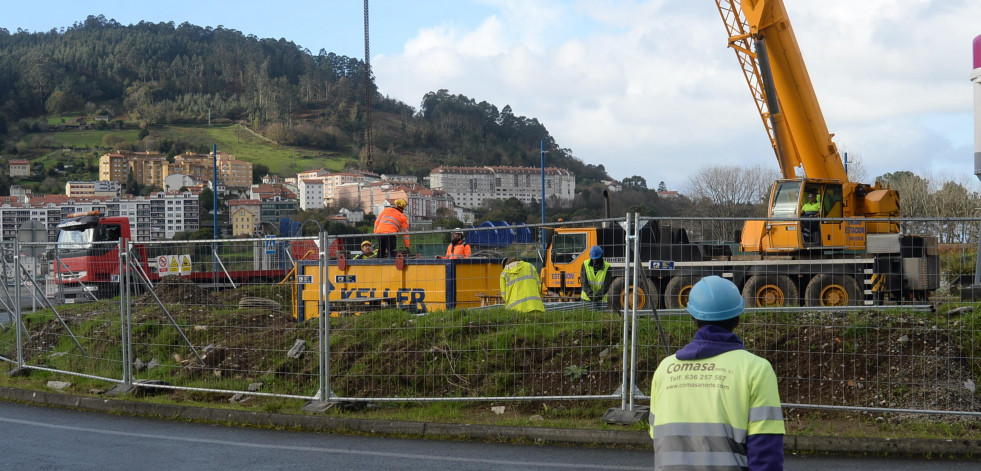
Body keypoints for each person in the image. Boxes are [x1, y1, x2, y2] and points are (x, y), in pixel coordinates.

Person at [649, 275, 785, 471]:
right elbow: (766, 455)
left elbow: (657, 436)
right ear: (738, 317)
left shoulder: (665, 370)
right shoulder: (755, 369)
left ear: (694, 318)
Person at [580, 245, 611, 309]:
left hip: (601, 300)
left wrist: (598, 296)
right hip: (586, 299)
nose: (595, 261)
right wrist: (591, 295)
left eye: (597, 259)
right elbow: (584, 282)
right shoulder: (585, 264)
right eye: (594, 259)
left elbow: (606, 285)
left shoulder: (607, 266)